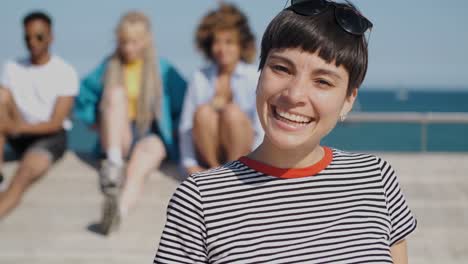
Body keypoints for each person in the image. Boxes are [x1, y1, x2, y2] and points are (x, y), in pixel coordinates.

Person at [154, 0, 417, 263]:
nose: (294, 95)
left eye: (322, 81)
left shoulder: (377, 179)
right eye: (281, 68)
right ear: (259, 75)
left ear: (348, 100)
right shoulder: (198, 201)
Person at [74, 11, 187, 235]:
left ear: (146, 41)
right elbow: (84, 96)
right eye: (124, 42)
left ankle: (118, 212)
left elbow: (183, 104)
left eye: (134, 42)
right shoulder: (109, 66)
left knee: (139, 168)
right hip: (119, 134)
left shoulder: (163, 68)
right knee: (115, 93)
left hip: (150, 132)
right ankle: (113, 165)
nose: (128, 48)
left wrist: (173, 132)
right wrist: (95, 122)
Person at [0, 11, 79, 219]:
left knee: (22, 176)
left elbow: (55, 123)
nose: (33, 42)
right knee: (1, 95)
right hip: (17, 131)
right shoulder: (12, 67)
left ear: (51, 37)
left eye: (39, 37)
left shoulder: (65, 72)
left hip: (49, 137)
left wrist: (17, 128)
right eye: (28, 38)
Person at [179, 3, 264, 175]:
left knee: (231, 112)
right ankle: (215, 171)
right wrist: (188, 163)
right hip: (208, 151)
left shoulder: (253, 77)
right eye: (217, 42)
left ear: (241, 45)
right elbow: (186, 126)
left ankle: (235, 170)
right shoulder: (199, 77)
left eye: (229, 42)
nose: (222, 49)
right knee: (203, 112)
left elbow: (260, 127)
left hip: (244, 152)